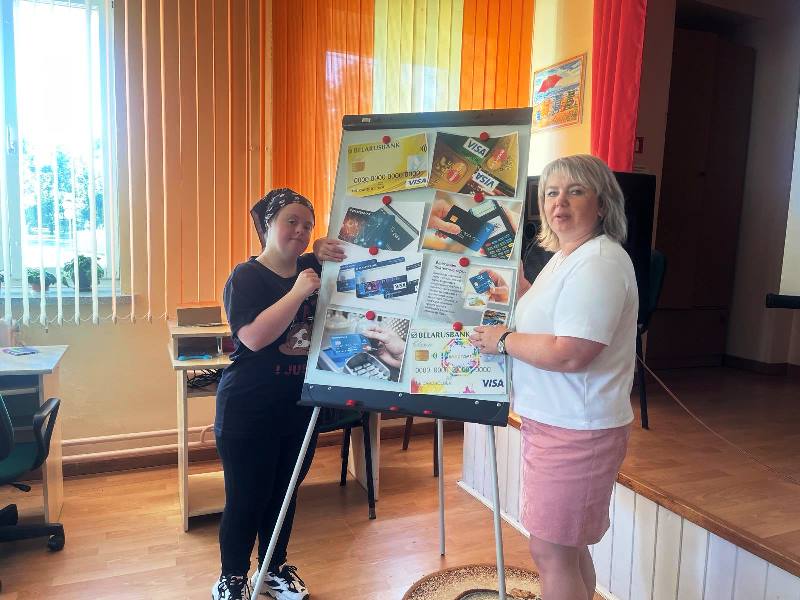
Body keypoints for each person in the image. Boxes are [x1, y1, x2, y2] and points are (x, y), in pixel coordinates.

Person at [470, 155, 637, 600]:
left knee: (551, 551)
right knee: (566, 547)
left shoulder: (599, 262)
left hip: (577, 429)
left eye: (575, 191)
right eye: (551, 192)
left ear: (602, 204)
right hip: (556, 422)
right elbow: (550, 316)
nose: (559, 202)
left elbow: (572, 351)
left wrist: (504, 340)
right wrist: (516, 286)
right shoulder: (568, 256)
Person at [212, 188, 345, 600]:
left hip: (298, 409)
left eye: (307, 224)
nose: (300, 231)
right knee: (246, 499)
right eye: (291, 221)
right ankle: (232, 576)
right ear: (268, 224)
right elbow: (253, 337)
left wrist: (319, 250)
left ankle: (272, 569)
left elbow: (326, 254)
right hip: (248, 410)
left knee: (284, 496)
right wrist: (298, 292)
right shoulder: (246, 276)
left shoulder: (310, 267)